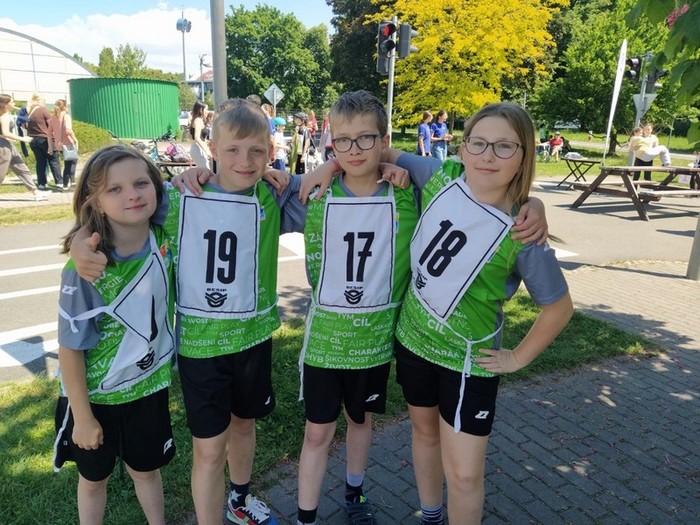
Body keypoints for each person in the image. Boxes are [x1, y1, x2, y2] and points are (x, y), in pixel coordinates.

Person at [71, 99, 305, 525]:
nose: (245, 160)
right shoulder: (181, 197)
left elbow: (335, 188)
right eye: (232, 150)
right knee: (209, 449)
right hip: (201, 350)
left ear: (271, 151)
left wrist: (324, 168)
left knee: (244, 426)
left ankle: (239, 499)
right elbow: (119, 210)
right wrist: (79, 241)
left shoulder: (274, 194)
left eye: (256, 151)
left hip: (253, 340)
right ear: (212, 149)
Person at [386, 103, 573, 525]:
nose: (488, 155)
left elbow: (559, 307)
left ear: (524, 155)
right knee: (424, 434)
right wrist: (327, 169)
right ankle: (431, 516)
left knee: (466, 475)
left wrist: (517, 357)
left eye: (504, 146)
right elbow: (381, 152)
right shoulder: (441, 176)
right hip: (413, 341)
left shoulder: (523, 231)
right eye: (478, 143)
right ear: (463, 147)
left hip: (469, 363)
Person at [294, 90, 421, 525]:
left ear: (384, 140)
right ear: (331, 141)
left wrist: (534, 203)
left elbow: (461, 179)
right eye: (343, 141)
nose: (354, 150)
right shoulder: (316, 192)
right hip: (325, 344)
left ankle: (354, 490)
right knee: (317, 432)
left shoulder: (407, 195)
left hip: (373, 343)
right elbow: (247, 184)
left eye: (366, 138)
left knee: (360, 421)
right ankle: (305, 516)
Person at [53, 144, 177, 525]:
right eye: (115, 189)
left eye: (141, 183)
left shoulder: (164, 231)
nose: (132, 195)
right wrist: (83, 418)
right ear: (96, 201)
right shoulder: (86, 269)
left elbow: (186, 187)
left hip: (147, 387)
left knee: (147, 472)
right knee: (93, 480)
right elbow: (70, 348)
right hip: (95, 398)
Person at [0, 94, 48, 201]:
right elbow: (5, 132)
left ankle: (35, 192)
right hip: (3, 147)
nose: (14, 104)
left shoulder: (7, 114)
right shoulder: (4, 116)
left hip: (9, 145)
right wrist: (22, 138)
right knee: (1, 173)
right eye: (12, 102)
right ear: (6, 105)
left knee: (22, 168)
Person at [27, 93, 62, 189]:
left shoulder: (30, 111)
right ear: (39, 101)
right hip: (45, 139)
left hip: (33, 139)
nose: (44, 102)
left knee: (40, 162)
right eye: (43, 100)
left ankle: (41, 184)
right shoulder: (42, 109)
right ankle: (59, 182)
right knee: (53, 160)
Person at [48, 99, 79, 190]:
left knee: (68, 163)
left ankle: (71, 183)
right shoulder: (66, 116)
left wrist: (50, 147)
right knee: (72, 163)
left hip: (59, 145)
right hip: (68, 143)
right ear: (65, 107)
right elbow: (68, 130)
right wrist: (75, 140)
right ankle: (67, 184)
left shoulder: (53, 119)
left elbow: (49, 134)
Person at [189, 100, 211, 169]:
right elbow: (197, 137)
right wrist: (207, 151)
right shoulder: (198, 120)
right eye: (206, 109)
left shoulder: (195, 120)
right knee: (206, 171)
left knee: (205, 170)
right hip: (198, 149)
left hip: (196, 148)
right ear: (201, 110)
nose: (207, 112)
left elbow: (189, 136)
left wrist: (204, 141)